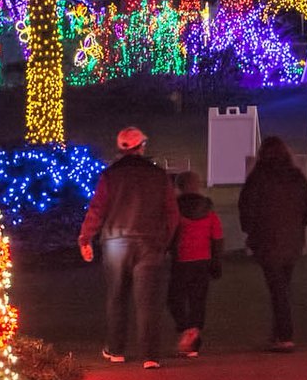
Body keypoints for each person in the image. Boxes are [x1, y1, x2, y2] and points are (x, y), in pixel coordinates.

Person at [78, 126, 179, 367]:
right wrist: (164, 240)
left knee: (116, 296)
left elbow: (97, 209)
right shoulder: (158, 175)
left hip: (115, 242)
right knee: (148, 300)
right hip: (149, 241)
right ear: (141, 146)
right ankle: (150, 355)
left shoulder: (110, 176)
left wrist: (85, 237)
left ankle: (116, 349)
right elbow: (171, 212)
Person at [237, 136, 307, 351]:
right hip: (292, 241)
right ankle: (279, 333)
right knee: (282, 287)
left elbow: (246, 207)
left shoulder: (257, 178)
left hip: (266, 240)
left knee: (277, 288)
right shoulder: (296, 177)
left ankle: (284, 335)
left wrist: (250, 231)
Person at [167, 171, 223, 357]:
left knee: (175, 299)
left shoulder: (175, 209)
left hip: (182, 260)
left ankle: (186, 330)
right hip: (203, 261)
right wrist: (216, 262)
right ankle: (193, 334)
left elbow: (171, 234)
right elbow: (217, 238)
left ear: (180, 187)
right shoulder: (208, 210)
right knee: (197, 300)